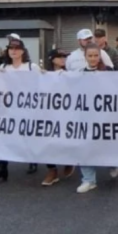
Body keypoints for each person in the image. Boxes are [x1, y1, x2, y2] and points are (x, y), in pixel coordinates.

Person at [0, 38, 42, 182]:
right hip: (9, 107)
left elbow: (41, 84)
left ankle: (32, 160)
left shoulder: (32, 67)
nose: (13, 51)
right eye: (11, 49)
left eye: (17, 49)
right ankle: (2, 168)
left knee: (28, 136)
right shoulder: (4, 68)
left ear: (23, 51)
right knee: (5, 136)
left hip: (29, 107)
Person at [76, 43, 117, 193]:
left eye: (95, 55)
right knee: (85, 146)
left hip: (105, 115)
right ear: (85, 57)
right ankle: (88, 179)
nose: (93, 58)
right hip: (86, 116)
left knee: (106, 144)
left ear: (100, 56)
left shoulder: (109, 71)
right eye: (90, 56)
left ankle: (113, 163)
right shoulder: (79, 73)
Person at [41, 48, 76, 186]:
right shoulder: (44, 74)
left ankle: (68, 160)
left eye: (65, 56)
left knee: (66, 138)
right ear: (51, 59)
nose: (63, 59)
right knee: (46, 141)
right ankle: (52, 170)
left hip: (67, 113)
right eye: (59, 56)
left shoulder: (71, 75)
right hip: (48, 113)